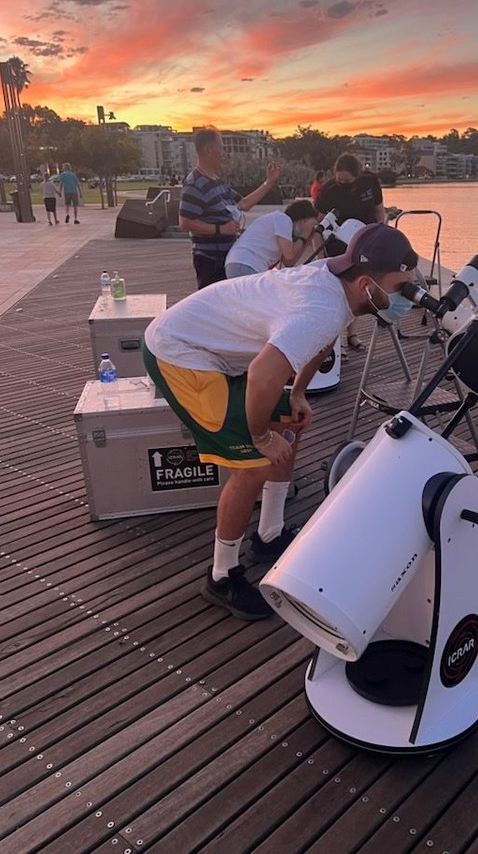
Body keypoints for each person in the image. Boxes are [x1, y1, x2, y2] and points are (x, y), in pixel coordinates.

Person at [143, 223, 418, 621]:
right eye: (400, 288)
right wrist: (258, 436)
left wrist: (299, 393)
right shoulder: (320, 309)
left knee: (289, 422)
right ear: (365, 285)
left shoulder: (332, 281)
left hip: (219, 348)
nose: (404, 298)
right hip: (180, 353)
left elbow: (319, 342)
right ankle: (221, 575)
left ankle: (269, 534)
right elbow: (262, 374)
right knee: (253, 467)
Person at [179, 128, 283, 289]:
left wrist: (269, 182)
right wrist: (220, 229)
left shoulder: (217, 182)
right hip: (210, 261)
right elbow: (185, 222)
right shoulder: (195, 183)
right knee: (215, 306)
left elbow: (244, 204)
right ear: (209, 150)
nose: (224, 153)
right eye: (221, 147)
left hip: (227, 257)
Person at [314, 153, 387, 351]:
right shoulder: (328, 190)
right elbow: (318, 225)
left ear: (358, 175)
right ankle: (335, 344)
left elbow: (379, 211)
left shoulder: (370, 181)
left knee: (358, 289)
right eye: (339, 179)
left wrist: (382, 236)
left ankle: (352, 335)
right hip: (337, 244)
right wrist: (321, 260)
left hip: (366, 241)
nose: (342, 183)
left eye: (347, 180)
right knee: (338, 291)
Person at [224, 199, 318, 278]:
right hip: (245, 263)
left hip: (241, 264)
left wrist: (306, 240)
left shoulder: (284, 229)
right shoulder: (283, 219)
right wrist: (304, 235)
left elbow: (289, 262)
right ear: (303, 220)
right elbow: (289, 255)